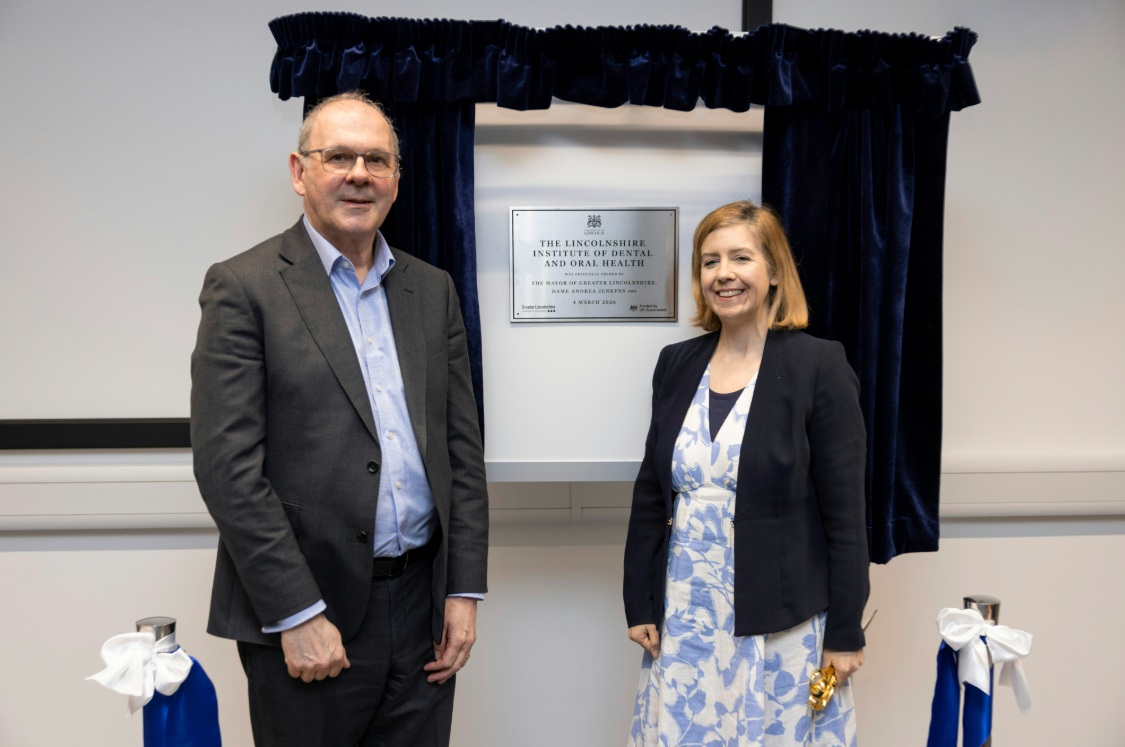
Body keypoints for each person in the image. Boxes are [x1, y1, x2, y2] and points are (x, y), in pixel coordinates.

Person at [191, 90, 489, 746]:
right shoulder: (244, 288)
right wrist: (295, 612)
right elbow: (227, 469)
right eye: (339, 157)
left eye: (377, 159)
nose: (359, 173)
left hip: (421, 615)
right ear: (300, 172)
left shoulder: (430, 288)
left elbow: (460, 450)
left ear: (397, 179)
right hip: (307, 614)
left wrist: (463, 589)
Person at [623, 200, 869, 745]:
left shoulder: (818, 366)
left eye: (740, 258)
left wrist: (846, 632)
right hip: (686, 615)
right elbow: (650, 493)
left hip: (781, 624)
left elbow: (847, 516)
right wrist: (639, 599)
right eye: (710, 261)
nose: (724, 274)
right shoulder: (676, 362)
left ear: (774, 270)